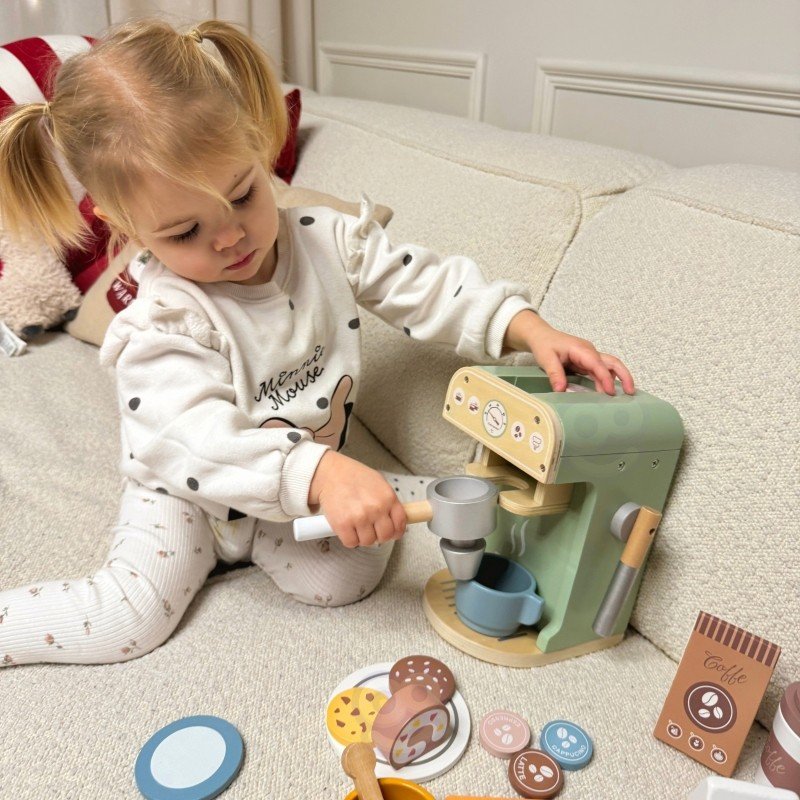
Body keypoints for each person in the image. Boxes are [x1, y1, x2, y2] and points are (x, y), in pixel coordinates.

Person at [0, 18, 635, 667]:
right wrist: (322, 471)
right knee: (122, 623)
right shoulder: (161, 323)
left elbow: (429, 286)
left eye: (243, 196)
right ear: (125, 225)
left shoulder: (327, 240)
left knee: (344, 579)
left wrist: (527, 329)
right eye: (186, 232)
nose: (230, 240)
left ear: (256, 145)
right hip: (189, 494)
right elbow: (196, 436)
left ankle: (289, 527)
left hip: (290, 491)